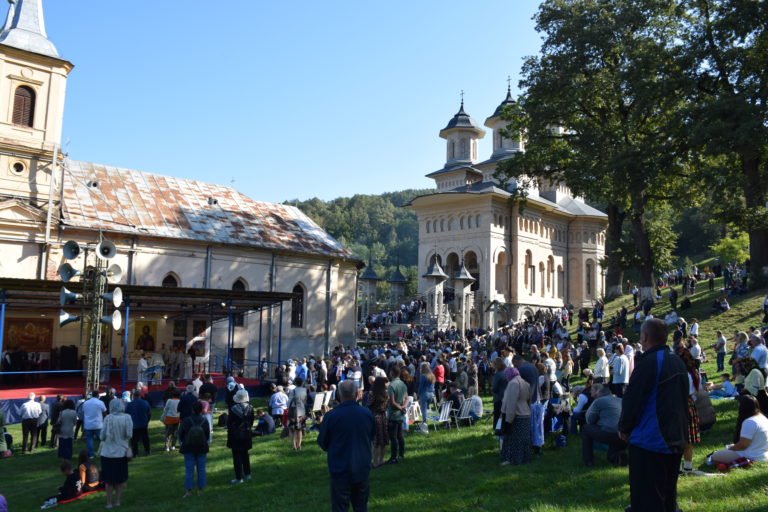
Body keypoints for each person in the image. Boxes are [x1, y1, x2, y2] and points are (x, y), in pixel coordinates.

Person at [619, 318, 689, 512]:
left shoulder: (649, 362)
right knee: (668, 497)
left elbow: (632, 400)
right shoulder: (677, 361)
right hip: (675, 438)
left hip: (650, 440)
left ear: (645, 336)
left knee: (648, 500)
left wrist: (624, 428)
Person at [317, 380, 375, 512]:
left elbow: (323, 442)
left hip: (340, 467)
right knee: (361, 506)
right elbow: (372, 436)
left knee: (340, 506)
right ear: (356, 394)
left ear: (339, 395)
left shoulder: (331, 416)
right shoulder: (366, 414)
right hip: (361, 465)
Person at [711, 394, 768, 464]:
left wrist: (730, 449)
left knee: (715, 455)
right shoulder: (763, 418)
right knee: (729, 447)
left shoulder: (750, 421)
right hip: (763, 454)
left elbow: (743, 445)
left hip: (751, 456)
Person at [581, 384, 627, 466]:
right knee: (610, 456)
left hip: (609, 434)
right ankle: (619, 457)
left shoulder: (599, 401)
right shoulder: (621, 400)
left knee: (585, 428)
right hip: (624, 435)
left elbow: (589, 420)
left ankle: (588, 461)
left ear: (598, 395)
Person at [100, 399, 133, 509]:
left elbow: (102, 436)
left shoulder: (108, 418)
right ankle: (117, 501)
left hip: (107, 453)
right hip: (121, 453)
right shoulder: (127, 417)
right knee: (119, 480)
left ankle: (109, 503)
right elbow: (129, 434)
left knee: (109, 481)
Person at [499, 366, 532, 466]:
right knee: (524, 439)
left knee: (513, 439)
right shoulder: (525, 382)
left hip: (516, 414)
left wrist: (508, 419)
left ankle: (512, 460)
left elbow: (511, 402)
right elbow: (528, 400)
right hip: (525, 413)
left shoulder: (513, 383)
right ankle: (525, 458)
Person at [178, 400, 210, 497]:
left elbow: (180, 433)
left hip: (188, 447)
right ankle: (200, 489)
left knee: (189, 470)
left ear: (192, 409)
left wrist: (184, 441)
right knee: (201, 469)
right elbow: (207, 435)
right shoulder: (205, 421)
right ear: (201, 410)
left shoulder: (186, 420)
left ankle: (188, 491)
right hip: (201, 447)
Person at [226, 389, 254, 483]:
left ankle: (239, 477)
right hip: (246, 433)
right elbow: (251, 422)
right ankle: (247, 473)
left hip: (235, 435)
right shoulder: (250, 408)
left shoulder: (233, 409)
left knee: (237, 456)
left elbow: (229, 423)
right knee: (245, 454)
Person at [366, 376, 390, 467]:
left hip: (374, 417)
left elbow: (368, 405)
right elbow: (387, 406)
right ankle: (381, 461)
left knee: (375, 441)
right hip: (383, 417)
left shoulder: (372, 394)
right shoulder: (386, 394)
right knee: (383, 440)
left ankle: (375, 462)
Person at [386, 365, 407, 464]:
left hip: (394, 414)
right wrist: (404, 407)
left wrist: (400, 408)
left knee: (393, 437)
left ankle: (393, 457)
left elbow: (392, 402)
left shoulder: (391, 385)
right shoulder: (403, 384)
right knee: (400, 435)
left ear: (392, 373)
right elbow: (407, 398)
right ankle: (402, 454)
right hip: (401, 414)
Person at [82, 390, 107, 459]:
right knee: (101, 440)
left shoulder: (86, 403)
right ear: (98, 395)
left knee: (89, 440)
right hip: (98, 424)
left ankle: (91, 455)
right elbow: (105, 413)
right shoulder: (100, 402)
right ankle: (103, 453)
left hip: (88, 425)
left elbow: (84, 412)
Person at [125, 390, 151, 457]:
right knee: (145, 438)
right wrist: (147, 421)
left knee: (134, 440)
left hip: (134, 424)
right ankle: (147, 451)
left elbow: (126, 414)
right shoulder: (145, 403)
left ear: (133, 396)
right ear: (140, 395)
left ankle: (135, 453)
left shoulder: (130, 404)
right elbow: (149, 413)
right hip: (143, 423)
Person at [287, 377, 308, 450]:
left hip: (293, 411)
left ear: (295, 383)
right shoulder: (305, 390)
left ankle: (293, 446)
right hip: (302, 411)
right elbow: (305, 401)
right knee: (300, 429)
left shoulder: (293, 391)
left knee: (292, 429)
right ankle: (299, 445)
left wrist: (287, 409)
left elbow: (289, 401)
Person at [416, 362, 435, 426]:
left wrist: (418, 394)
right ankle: (426, 420)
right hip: (431, 394)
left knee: (423, 409)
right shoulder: (432, 375)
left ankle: (424, 422)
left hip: (424, 394)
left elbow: (420, 386)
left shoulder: (423, 376)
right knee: (426, 409)